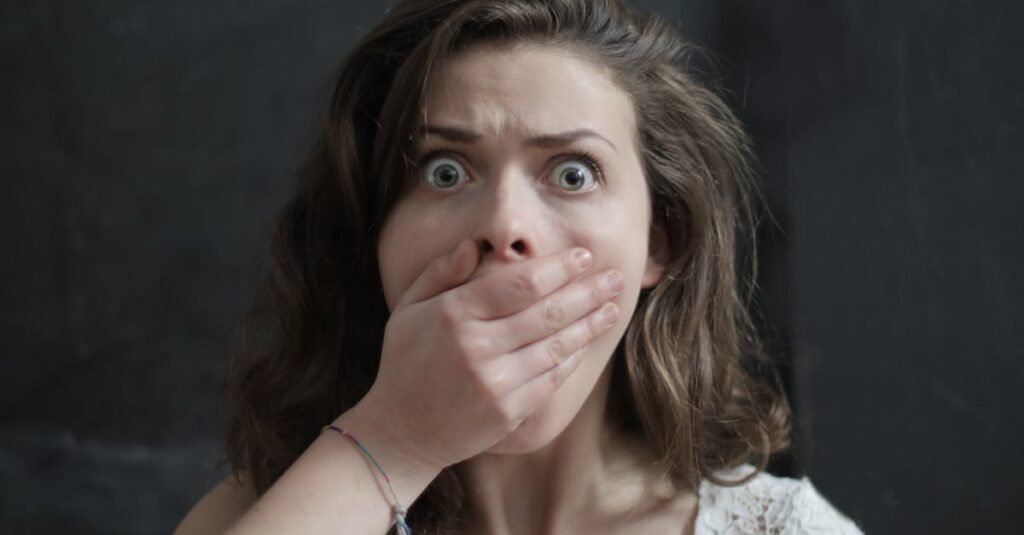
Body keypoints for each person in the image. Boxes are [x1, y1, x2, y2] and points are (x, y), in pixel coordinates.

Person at [176, 0, 863, 533]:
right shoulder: (274, 509)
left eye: (572, 172)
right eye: (445, 170)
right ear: (373, 234)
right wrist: (394, 440)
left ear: (660, 239)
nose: (505, 227)